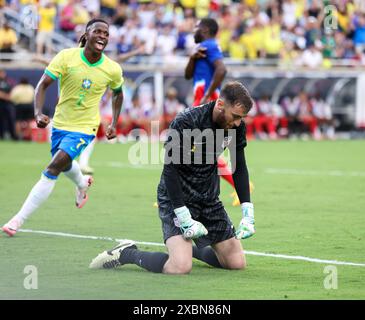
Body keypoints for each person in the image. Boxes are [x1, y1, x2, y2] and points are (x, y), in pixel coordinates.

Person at [90, 81, 256, 274]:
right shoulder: (187, 121)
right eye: (235, 116)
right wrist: (183, 213)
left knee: (236, 263)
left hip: (208, 199)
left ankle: (188, 250)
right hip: (176, 198)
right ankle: (127, 253)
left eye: (241, 118)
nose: (237, 123)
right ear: (220, 104)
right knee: (179, 267)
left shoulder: (236, 127)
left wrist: (247, 211)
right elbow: (170, 169)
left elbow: (239, 166)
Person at [2, 19, 124, 237]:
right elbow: (42, 85)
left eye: (106, 34)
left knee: (53, 167)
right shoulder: (66, 57)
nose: (103, 37)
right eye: (98, 32)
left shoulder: (112, 68)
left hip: (84, 128)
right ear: (86, 35)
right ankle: (82, 183)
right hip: (59, 124)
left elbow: (118, 93)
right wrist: (38, 113)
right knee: (65, 164)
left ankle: (16, 220)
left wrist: (114, 122)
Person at [184, 18, 248, 206]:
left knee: (196, 148)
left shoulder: (210, 45)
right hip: (201, 99)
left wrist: (208, 96)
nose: (194, 30)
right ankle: (179, 193)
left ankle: (177, 194)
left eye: (196, 27)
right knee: (196, 149)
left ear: (204, 29)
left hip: (207, 102)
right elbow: (187, 75)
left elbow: (222, 69)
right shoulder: (202, 48)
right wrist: (192, 57)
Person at [0, 69, 17, 140]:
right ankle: (2, 135)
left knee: (11, 119)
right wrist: (6, 96)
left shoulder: (9, 81)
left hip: (8, 104)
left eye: (2, 73)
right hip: (1, 104)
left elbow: (14, 91)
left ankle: (13, 135)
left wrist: (9, 96)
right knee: (1, 120)